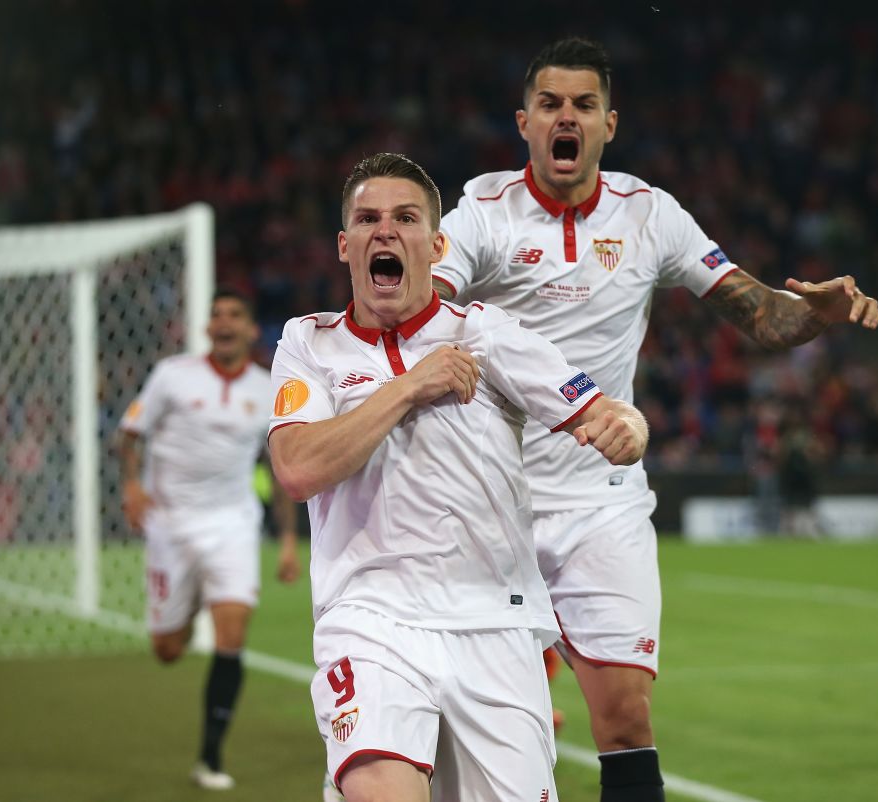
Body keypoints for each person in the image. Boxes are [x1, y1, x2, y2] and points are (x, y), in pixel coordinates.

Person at [431, 37, 878, 801]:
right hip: (488, 505)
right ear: (523, 122)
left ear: (611, 123)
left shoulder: (651, 215)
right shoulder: (480, 211)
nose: (565, 118)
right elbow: (424, 308)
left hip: (601, 505)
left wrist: (815, 316)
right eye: (550, 105)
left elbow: (762, 316)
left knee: (627, 722)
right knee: (471, 734)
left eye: (583, 105)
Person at [268, 152, 648, 802]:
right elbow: (299, 467)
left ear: (437, 244)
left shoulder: (488, 334)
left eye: (405, 218)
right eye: (367, 219)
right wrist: (411, 386)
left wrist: (628, 427)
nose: (384, 231)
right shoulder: (311, 345)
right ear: (344, 245)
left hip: (495, 622)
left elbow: (599, 408)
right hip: (372, 616)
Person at [117, 288, 301, 790]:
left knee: (233, 635)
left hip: (232, 525)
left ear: (248, 331)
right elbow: (128, 436)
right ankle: (192, 594)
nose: (223, 323)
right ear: (207, 330)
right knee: (168, 649)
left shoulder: (268, 390)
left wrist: (287, 541)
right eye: (216, 315)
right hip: (169, 528)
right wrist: (132, 486)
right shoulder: (172, 376)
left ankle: (210, 757)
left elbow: (278, 466)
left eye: (234, 316)